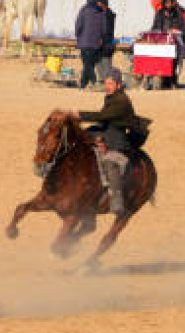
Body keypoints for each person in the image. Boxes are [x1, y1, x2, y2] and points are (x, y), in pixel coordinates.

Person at [71, 69, 139, 220]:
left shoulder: (122, 101)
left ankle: (117, 200)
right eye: (106, 83)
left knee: (110, 162)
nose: (107, 86)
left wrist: (80, 115)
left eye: (111, 83)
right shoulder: (110, 97)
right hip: (107, 133)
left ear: (119, 85)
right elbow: (104, 121)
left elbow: (103, 117)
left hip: (118, 141)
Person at [152, 0, 185, 87]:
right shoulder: (159, 13)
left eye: (170, 2)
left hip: (175, 42)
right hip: (162, 42)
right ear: (164, 3)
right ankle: (164, 81)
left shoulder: (178, 13)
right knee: (163, 62)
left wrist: (177, 31)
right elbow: (155, 27)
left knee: (175, 62)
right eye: (166, 3)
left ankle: (173, 81)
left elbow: (183, 28)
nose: (168, 5)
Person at [75, 0, 109, 89]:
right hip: (95, 43)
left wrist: (78, 36)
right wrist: (101, 38)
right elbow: (104, 29)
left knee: (87, 65)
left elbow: (78, 25)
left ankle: (93, 82)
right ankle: (83, 84)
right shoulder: (101, 12)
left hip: (84, 41)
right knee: (89, 64)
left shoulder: (83, 9)